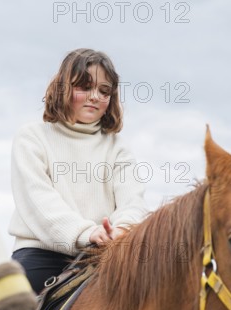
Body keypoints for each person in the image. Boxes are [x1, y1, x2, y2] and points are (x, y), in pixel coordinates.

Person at [9, 49, 148, 294]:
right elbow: (39, 201)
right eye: (84, 87)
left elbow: (133, 200)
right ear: (63, 88)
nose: (95, 96)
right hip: (42, 255)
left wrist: (123, 229)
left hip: (104, 256)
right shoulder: (32, 138)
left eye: (104, 91)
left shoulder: (117, 147)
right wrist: (87, 233)